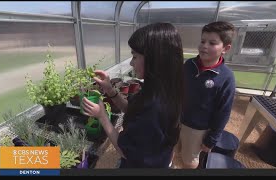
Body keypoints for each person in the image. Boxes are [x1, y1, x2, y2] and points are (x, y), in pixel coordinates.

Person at [81, 23, 184, 168]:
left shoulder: (155, 106)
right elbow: (134, 111)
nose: (131, 62)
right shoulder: (163, 88)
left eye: (135, 56)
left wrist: (102, 116)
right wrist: (111, 91)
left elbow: (125, 152)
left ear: (155, 59)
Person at [174, 21, 236, 169]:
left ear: (225, 48)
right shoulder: (189, 65)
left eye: (212, 43)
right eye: (202, 41)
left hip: (197, 128)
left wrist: (212, 139)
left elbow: (223, 111)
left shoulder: (226, 77)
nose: (204, 46)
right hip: (177, 120)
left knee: (189, 160)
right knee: (175, 150)